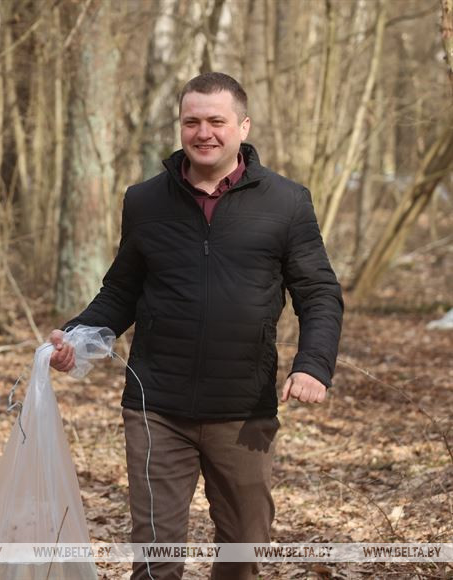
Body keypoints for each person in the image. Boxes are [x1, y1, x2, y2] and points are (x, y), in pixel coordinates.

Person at [49, 72, 343, 580]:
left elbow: (318, 292)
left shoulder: (287, 202)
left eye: (216, 121)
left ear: (242, 126)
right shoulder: (144, 200)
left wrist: (313, 364)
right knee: (156, 557)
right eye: (192, 121)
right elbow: (122, 290)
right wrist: (78, 335)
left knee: (244, 553)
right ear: (180, 126)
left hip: (244, 409)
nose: (203, 132)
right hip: (156, 407)